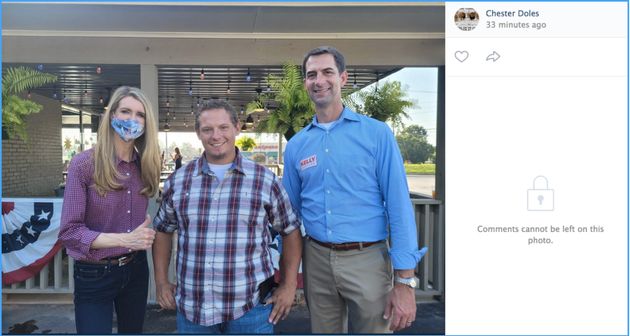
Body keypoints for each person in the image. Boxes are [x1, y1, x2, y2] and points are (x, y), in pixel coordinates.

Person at [282, 46, 428, 333]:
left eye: (327, 72)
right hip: (316, 259)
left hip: (368, 260)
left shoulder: (376, 134)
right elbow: (288, 215)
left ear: (343, 78)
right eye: (312, 74)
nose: (319, 80)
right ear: (305, 84)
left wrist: (405, 282)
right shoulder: (297, 145)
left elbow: (399, 207)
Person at [152, 99, 302, 334]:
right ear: (198, 133)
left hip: (251, 310)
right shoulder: (179, 181)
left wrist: (289, 285)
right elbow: (163, 230)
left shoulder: (264, 180)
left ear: (237, 128)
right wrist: (161, 281)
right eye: (207, 129)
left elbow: (290, 230)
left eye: (223, 127)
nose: (215, 135)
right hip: (194, 311)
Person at [58, 86, 161, 334]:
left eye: (140, 114)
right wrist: (126, 239)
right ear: (112, 115)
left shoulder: (146, 164)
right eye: (125, 111)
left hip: (136, 270)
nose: (132, 120)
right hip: (94, 272)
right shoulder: (84, 164)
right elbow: (69, 232)